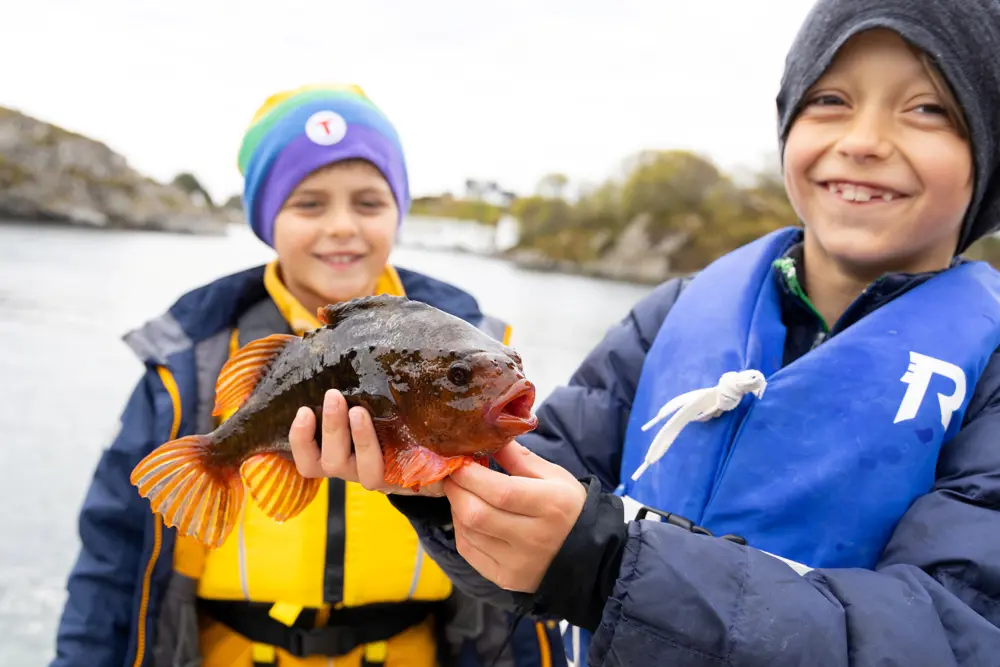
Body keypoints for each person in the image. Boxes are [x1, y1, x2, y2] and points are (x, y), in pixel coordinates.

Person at [286, 2, 1000, 665]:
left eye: (929, 108)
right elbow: (536, 475)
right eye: (831, 100)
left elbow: (952, 633)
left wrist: (602, 565)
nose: (865, 141)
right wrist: (430, 475)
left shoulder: (989, 366)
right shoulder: (671, 313)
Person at [51, 84, 567, 667]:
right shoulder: (186, 361)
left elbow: (531, 574)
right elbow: (110, 559)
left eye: (369, 203)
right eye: (309, 203)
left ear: (400, 211)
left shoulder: (475, 357)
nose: (342, 226)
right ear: (267, 220)